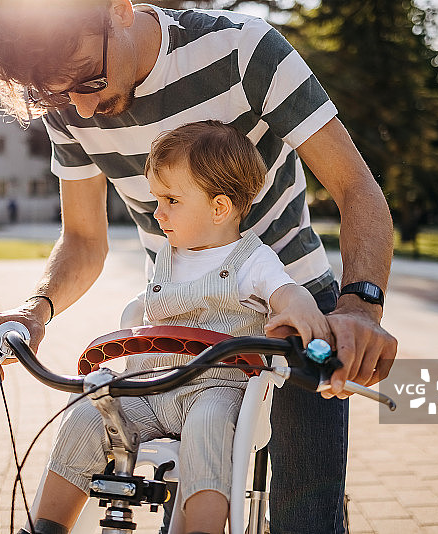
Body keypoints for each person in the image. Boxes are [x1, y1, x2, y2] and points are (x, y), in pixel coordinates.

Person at [0, 1, 398, 532]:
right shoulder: (67, 97)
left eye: (89, 78)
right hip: (179, 322)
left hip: (295, 313)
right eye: (56, 95)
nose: (82, 108)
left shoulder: (243, 50)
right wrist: (35, 311)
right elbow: (83, 241)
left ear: (119, 9)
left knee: (304, 518)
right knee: (102, 422)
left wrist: (359, 308)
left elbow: (357, 188)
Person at [23, 120, 331, 534]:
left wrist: (302, 308)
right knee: (86, 416)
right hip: (153, 387)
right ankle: (46, 527)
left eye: (171, 200)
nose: (158, 212)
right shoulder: (167, 257)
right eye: (157, 198)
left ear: (219, 208)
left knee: (207, 430)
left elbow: (285, 292)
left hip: (216, 389)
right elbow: (142, 313)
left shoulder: (253, 261)